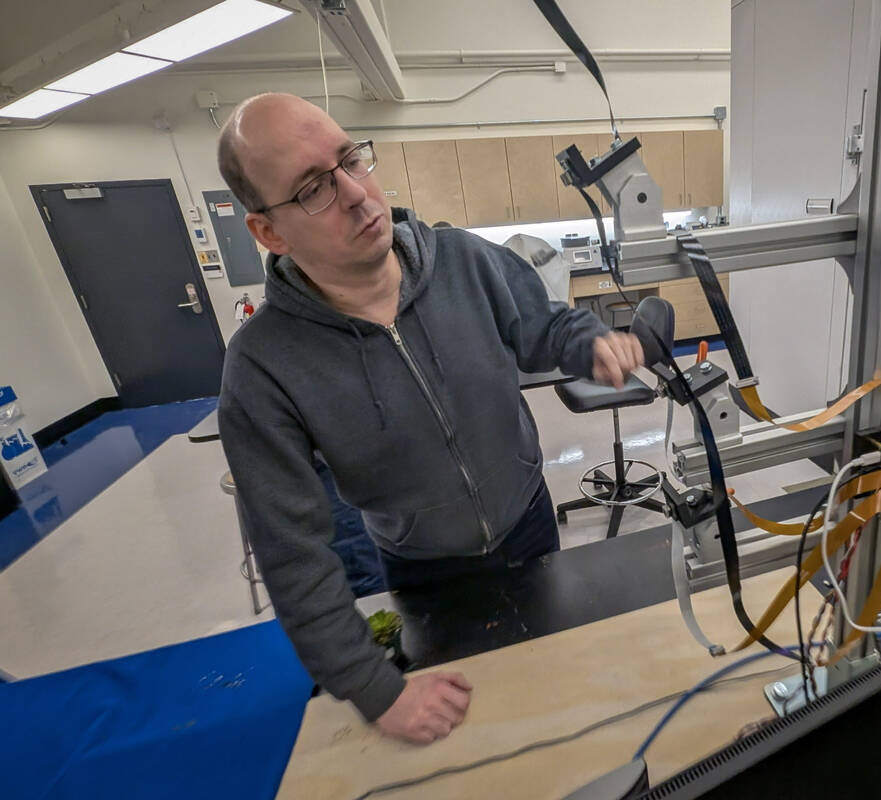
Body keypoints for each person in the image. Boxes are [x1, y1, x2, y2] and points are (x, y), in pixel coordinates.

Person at [216, 93, 644, 745]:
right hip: (422, 569)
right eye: (311, 190)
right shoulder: (262, 368)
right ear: (268, 232)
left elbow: (543, 325)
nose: (358, 195)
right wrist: (374, 690)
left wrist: (585, 341)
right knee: (480, 739)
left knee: (556, 704)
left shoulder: (465, 261)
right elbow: (293, 558)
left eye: (352, 160)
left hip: (528, 525)